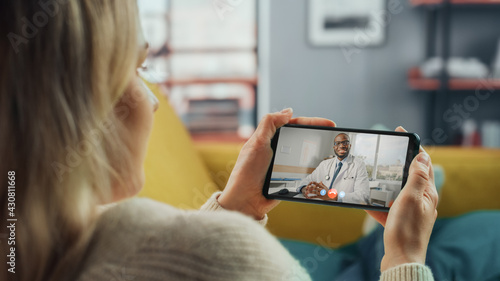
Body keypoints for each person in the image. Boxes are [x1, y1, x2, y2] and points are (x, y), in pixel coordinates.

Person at [0, 1, 438, 281]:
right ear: (78, 106)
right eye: (135, 70)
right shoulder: (227, 259)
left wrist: (235, 210)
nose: (154, 102)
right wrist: (403, 258)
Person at [297, 133, 370, 204]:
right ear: (334, 147)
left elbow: (363, 196)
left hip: (342, 209)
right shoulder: (324, 164)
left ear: (350, 146)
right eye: (337, 143)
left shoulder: (359, 164)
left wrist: (333, 196)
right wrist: (305, 189)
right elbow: (305, 181)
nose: (341, 146)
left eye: (345, 143)